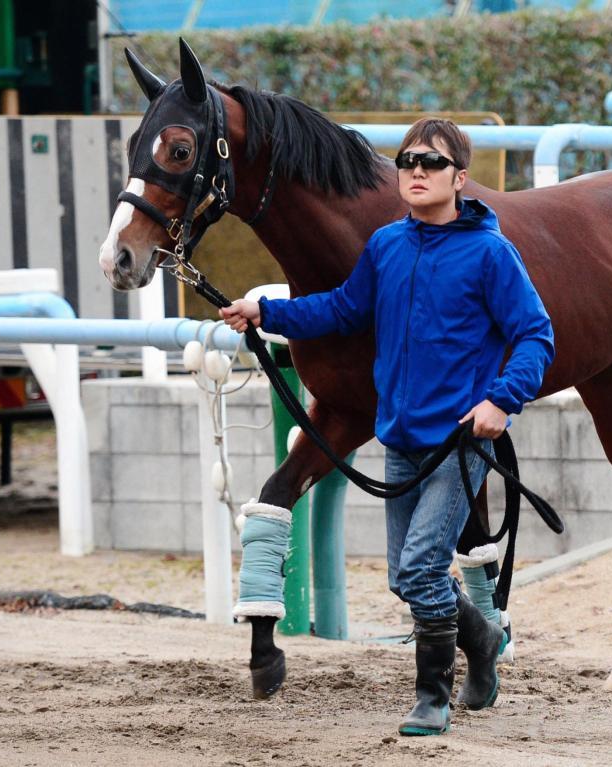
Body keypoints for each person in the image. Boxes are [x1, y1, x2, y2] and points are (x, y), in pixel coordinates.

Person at [220, 118, 554, 735]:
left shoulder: (490, 252)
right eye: (407, 163)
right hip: (400, 440)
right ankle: (480, 641)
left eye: (432, 162)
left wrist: (503, 400)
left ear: (460, 177)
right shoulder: (386, 247)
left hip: (460, 446)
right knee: (406, 576)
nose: (417, 172)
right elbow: (343, 308)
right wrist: (265, 311)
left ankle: (432, 696)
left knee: (423, 568)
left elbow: (535, 333)